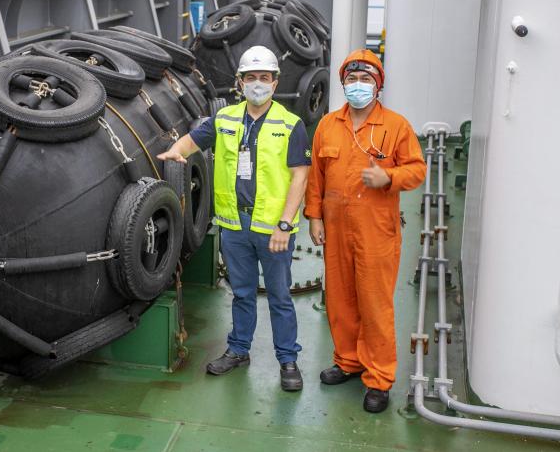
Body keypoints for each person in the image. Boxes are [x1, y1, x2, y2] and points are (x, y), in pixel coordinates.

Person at [157, 45, 310, 391]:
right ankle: (239, 350)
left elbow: (300, 177)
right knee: (242, 293)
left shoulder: (291, 125)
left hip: (273, 229)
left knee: (279, 297)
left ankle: (287, 360)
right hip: (234, 226)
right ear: (240, 82)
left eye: (264, 77)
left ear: (275, 82)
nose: (258, 83)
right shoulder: (224, 119)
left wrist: (285, 224)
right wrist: (176, 151)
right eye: (251, 77)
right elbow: (192, 141)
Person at [304, 49, 426, 413]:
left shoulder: (396, 126)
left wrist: (388, 176)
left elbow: (417, 170)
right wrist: (314, 217)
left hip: (376, 230)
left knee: (374, 303)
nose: (358, 85)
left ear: (378, 85)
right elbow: (316, 176)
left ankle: (379, 378)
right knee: (340, 298)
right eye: (352, 79)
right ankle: (348, 361)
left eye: (366, 79)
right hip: (336, 227)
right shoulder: (328, 125)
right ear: (343, 84)